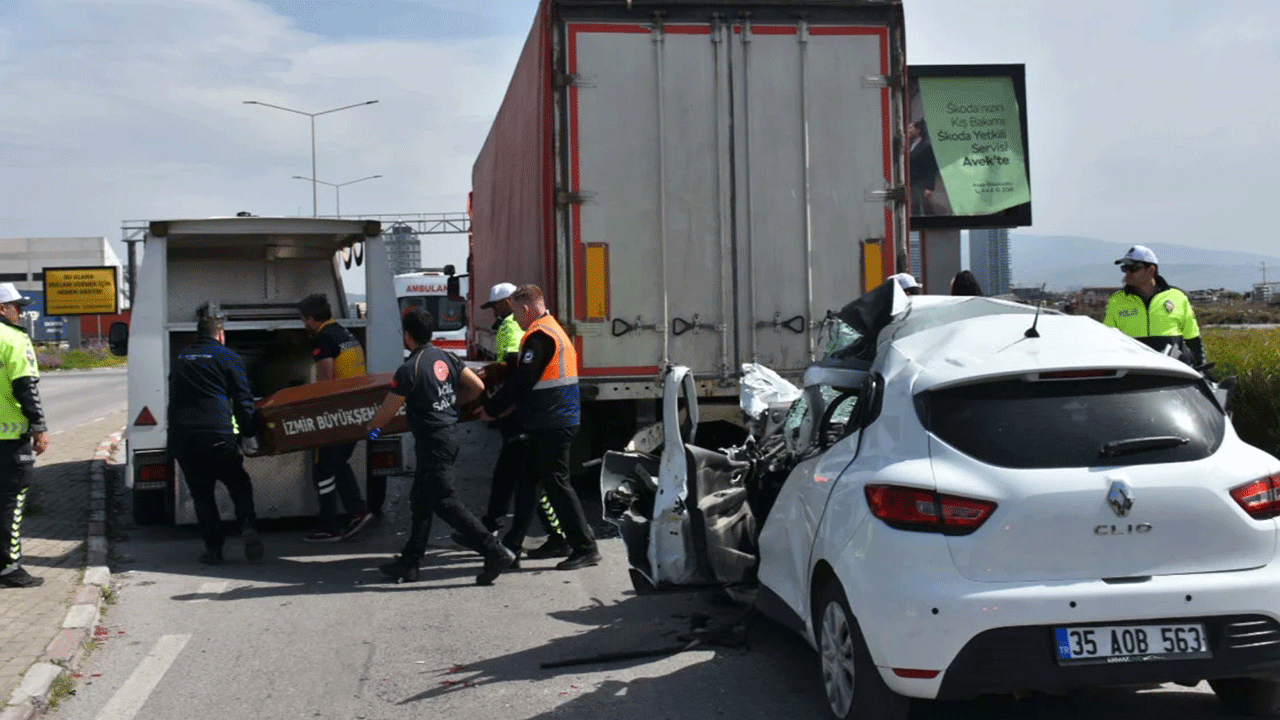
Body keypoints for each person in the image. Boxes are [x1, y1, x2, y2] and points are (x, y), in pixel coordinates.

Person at [365, 307, 516, 585]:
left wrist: (371, 432)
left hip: (432, 440)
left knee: (445, 502)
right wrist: (450, 405)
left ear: (407, 336)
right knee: (421, 500)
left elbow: (389, 409)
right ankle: (410, 563)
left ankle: (493, 551)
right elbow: (476, 387)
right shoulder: (446, 358)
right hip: (446, 435)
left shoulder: (409, 368)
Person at [480, 284, 601, 571]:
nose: (516, 322)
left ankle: (585, 547)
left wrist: (493, 408)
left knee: (556, 484)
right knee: (529, 484)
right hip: (549, 420)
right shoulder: (550, 330)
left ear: (524, 309)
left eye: (517, 314)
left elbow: (523, 380)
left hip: (553, 422)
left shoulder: (540, 336)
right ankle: (512, 546)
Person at [462, 282, 570, 558]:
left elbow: (516, 375)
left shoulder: (519, 329)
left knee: (529, 480)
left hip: (533, 416)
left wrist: (497, 408)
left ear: (511, 305)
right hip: (534, 414)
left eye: (497, 306)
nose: (496, 312)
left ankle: (523, 538)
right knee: (519, 478)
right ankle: (501, 534)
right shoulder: (523, 328)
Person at [168, 314, 263, 565]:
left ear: (197, 335)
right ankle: (247, 526)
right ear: (220, 335)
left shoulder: (180, 358)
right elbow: (243, 400)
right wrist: (249, 433)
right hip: (218, 435)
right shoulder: (228, 357)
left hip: (185, 437)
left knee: (202, 495)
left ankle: (214, 550)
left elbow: (173, 399)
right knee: (238, 482)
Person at [298, 294, 373, 542]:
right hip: (354, 409)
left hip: (335, 414)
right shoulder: (344, 333)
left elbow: (326, 382)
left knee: (322, 469)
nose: (303, 325)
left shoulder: (323, 338)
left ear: (310, 319)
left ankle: (329, 526)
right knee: (338, 463)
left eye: (303, 320)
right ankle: (357, 512)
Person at [0, 284, 48, 588]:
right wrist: (39, 427)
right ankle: (9, 568)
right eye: (17, 307)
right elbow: (25, 387)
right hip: (9, 440)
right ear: (3, 309)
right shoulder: (13, 338)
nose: (21, 313)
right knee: (11, 503)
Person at [1104, 245, 1205, 367]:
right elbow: (1107, 339)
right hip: (1136, 372)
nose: (1128, 272)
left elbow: (1192, 338)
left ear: (1151, 270)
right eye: (1125, 268)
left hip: (1174, 373)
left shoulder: (1177, 297)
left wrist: (1200, 368)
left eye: (1134, 268)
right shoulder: (1116, 300)